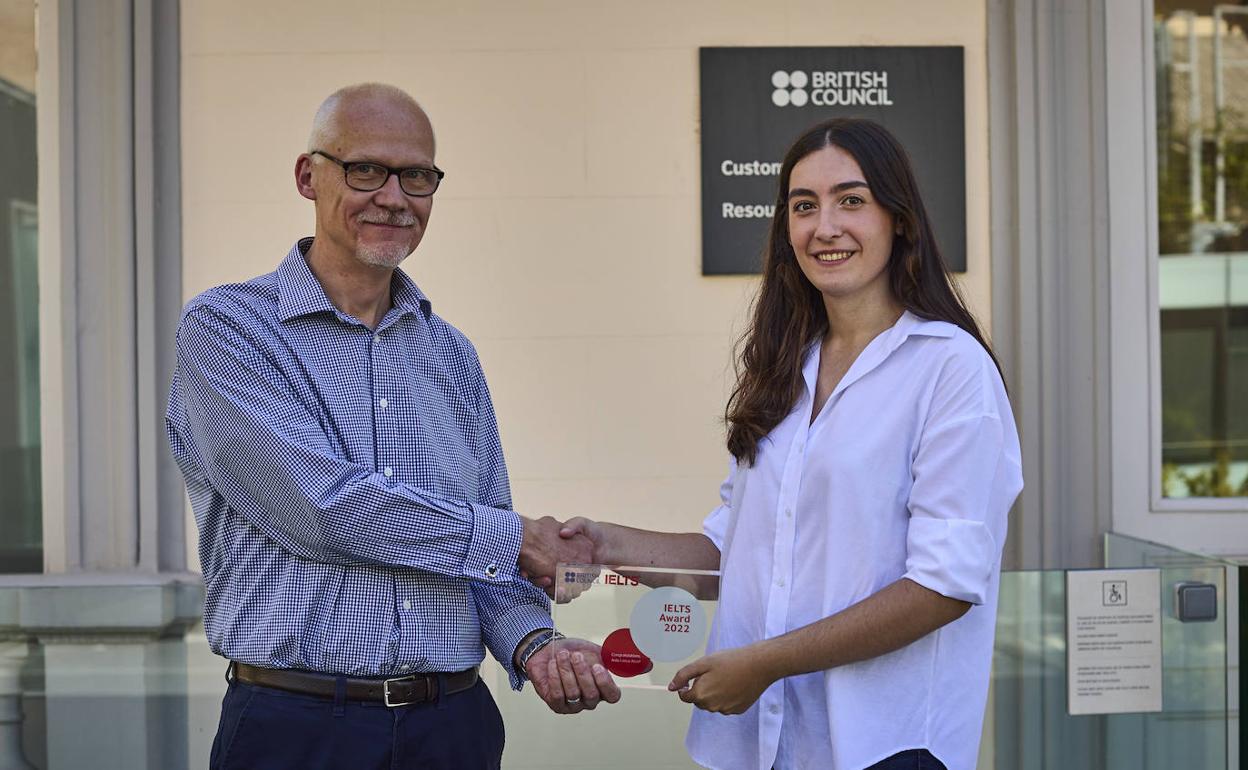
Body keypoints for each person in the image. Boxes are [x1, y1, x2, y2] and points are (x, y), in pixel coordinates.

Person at [166, 82, 618, 770]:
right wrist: (513, 537)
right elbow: (322, 509)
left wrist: (536, 645)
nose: (394, 197)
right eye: (366, 170)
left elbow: (484, 551)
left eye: (417, 176)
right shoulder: (228, 331)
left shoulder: (451, 355)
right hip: (297, 729)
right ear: (306, 176)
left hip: (454, 726)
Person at [555, 118, 1022, 770]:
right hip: (762, 746)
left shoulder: (949, 369)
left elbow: (942, 586)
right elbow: (737, 553)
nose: (824, 226)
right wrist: (605, 547)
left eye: (851, 200)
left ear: (900, 219)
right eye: (804, 206)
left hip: (885, 747)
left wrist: (764, 665)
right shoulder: (785, 367)